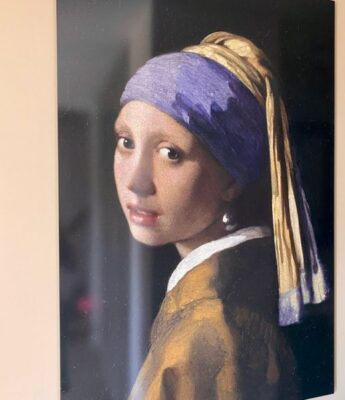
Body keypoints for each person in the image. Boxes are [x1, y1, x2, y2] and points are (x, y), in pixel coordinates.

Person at [114, 32, 329, 399]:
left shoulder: (207, 326)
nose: (136, 181)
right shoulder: (250, 275)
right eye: (126, 142)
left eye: (171, 153)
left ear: (232, 178)